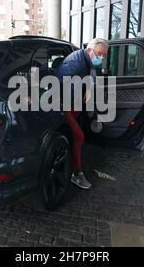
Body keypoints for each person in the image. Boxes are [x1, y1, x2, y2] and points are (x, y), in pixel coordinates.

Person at [55, 38, 109, 189]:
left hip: (75, 105)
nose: (102, 58)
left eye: (104, 55)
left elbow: (92, 75)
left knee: (74, 137)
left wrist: (89, 89)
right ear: (90, 50)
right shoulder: (75, 61)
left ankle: (69, 163)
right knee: (78, 136)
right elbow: (58, 83)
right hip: (64, 106)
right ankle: (76, 174)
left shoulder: (89, 61)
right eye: (100, 54)